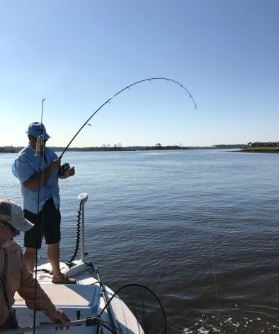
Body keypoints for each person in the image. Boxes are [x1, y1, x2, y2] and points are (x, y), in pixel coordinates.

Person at [12, 122, 76, 284]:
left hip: (53, 204)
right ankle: (26, 281)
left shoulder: (51, 154)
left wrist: (65, 173)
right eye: (41, 140)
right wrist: (48, 170)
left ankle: (57, 275)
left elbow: (57, 175)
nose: (44, 143)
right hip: (34, 209)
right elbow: (29, 184)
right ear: (30, 138)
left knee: (54, 242)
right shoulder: (23, 159)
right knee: (32, 247)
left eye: (45, 140)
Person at [0, 199, 70, 330]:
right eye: (14, 228)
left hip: (6, 321)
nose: (18, 233)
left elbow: (26, 282)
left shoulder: (13, 250)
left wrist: (51, 309)